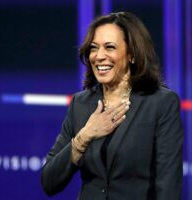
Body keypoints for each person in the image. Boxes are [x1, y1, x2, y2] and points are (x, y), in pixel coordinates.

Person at [41, 11, 183, 200]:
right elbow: (49, 182)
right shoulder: (80, 103)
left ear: (132, 54)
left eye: (109, 47)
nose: (99, 56)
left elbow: (168, 187)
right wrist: (84, 136)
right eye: (93, 48)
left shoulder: (161, 103)